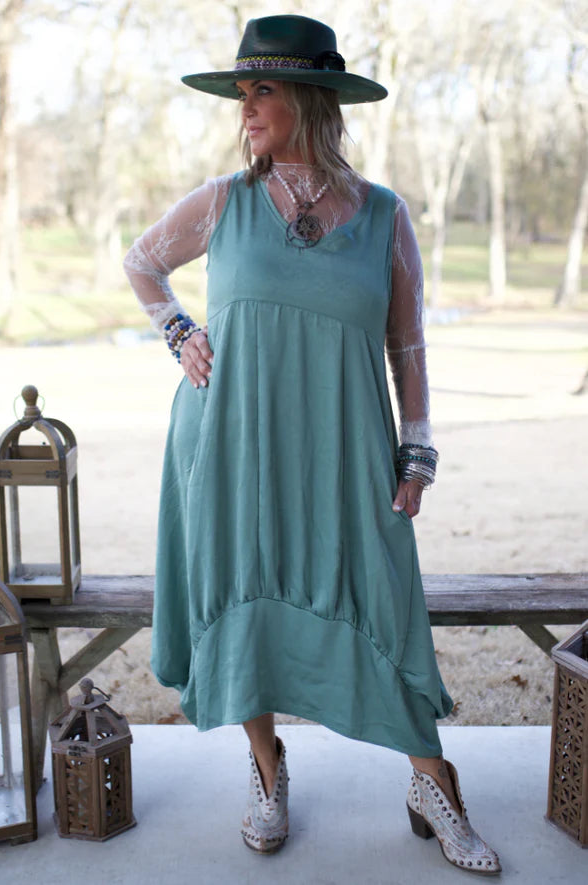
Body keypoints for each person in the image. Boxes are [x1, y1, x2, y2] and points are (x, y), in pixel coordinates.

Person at [124, 14, 501, 874]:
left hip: (345, 447)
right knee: (245, 589)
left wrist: (418, 450)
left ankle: (432, 781)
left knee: (382, 594)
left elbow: (408, 343)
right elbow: (142, 261)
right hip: (232, 444)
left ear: (310, 97)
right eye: (241, 92)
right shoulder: (223, 201)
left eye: (262, 89)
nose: (246, 108)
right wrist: (178, 330)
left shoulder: (384, 215)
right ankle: (267, 771)